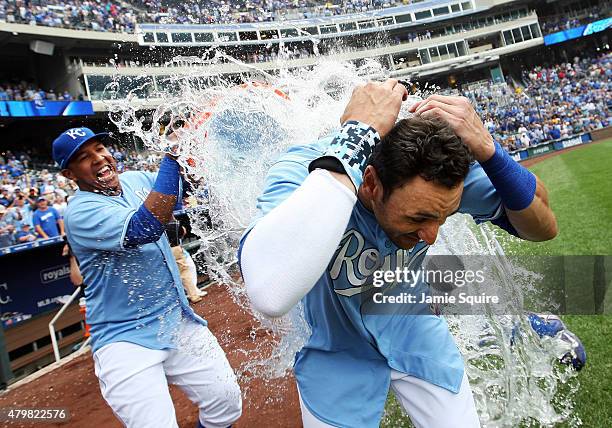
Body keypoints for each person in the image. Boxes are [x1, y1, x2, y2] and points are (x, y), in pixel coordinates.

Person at [239, 80, 578, 427]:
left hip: (415, 330)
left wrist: (491, 152)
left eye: (442, 217)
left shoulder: (438, 175)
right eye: (418, 218)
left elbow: (542, 225)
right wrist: (353, 143)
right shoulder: (306, 170)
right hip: (335, 352)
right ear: (370, 183)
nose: (431, 237)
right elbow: (269, 292)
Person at [53, 127, 241, 428]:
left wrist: (194, 152)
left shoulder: (133, 181)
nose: (99, 158)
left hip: (176, 321)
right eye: (84, 157)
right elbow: (145, 227)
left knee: (227, 404)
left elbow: (177, 191)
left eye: (100, 148)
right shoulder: (80, 211)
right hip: (125, 338)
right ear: (69, 175)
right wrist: (172, 154)